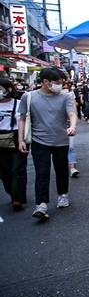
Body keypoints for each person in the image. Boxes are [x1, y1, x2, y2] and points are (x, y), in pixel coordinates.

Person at [18, 67, 77, 220]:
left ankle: (62, 194)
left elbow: (72, 113)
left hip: (61, 140)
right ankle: (41, 204)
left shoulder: (65, 97)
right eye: (57, 83)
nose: (60, 86)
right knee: (41, 172)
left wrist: (72, 126)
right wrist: (20, 140)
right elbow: (22, 118)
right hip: (39, 140)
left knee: (61, 170)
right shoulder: (29, 97)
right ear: (45, 81)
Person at [0, 78, 28, 212]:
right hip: (0, 139)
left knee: (18, 168)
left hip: (17, 136)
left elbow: (23, 120)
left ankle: (18, 198)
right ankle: (13, 192)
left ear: (8, 89)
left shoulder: (17, 104)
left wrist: (22, 139)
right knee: (4, 171)